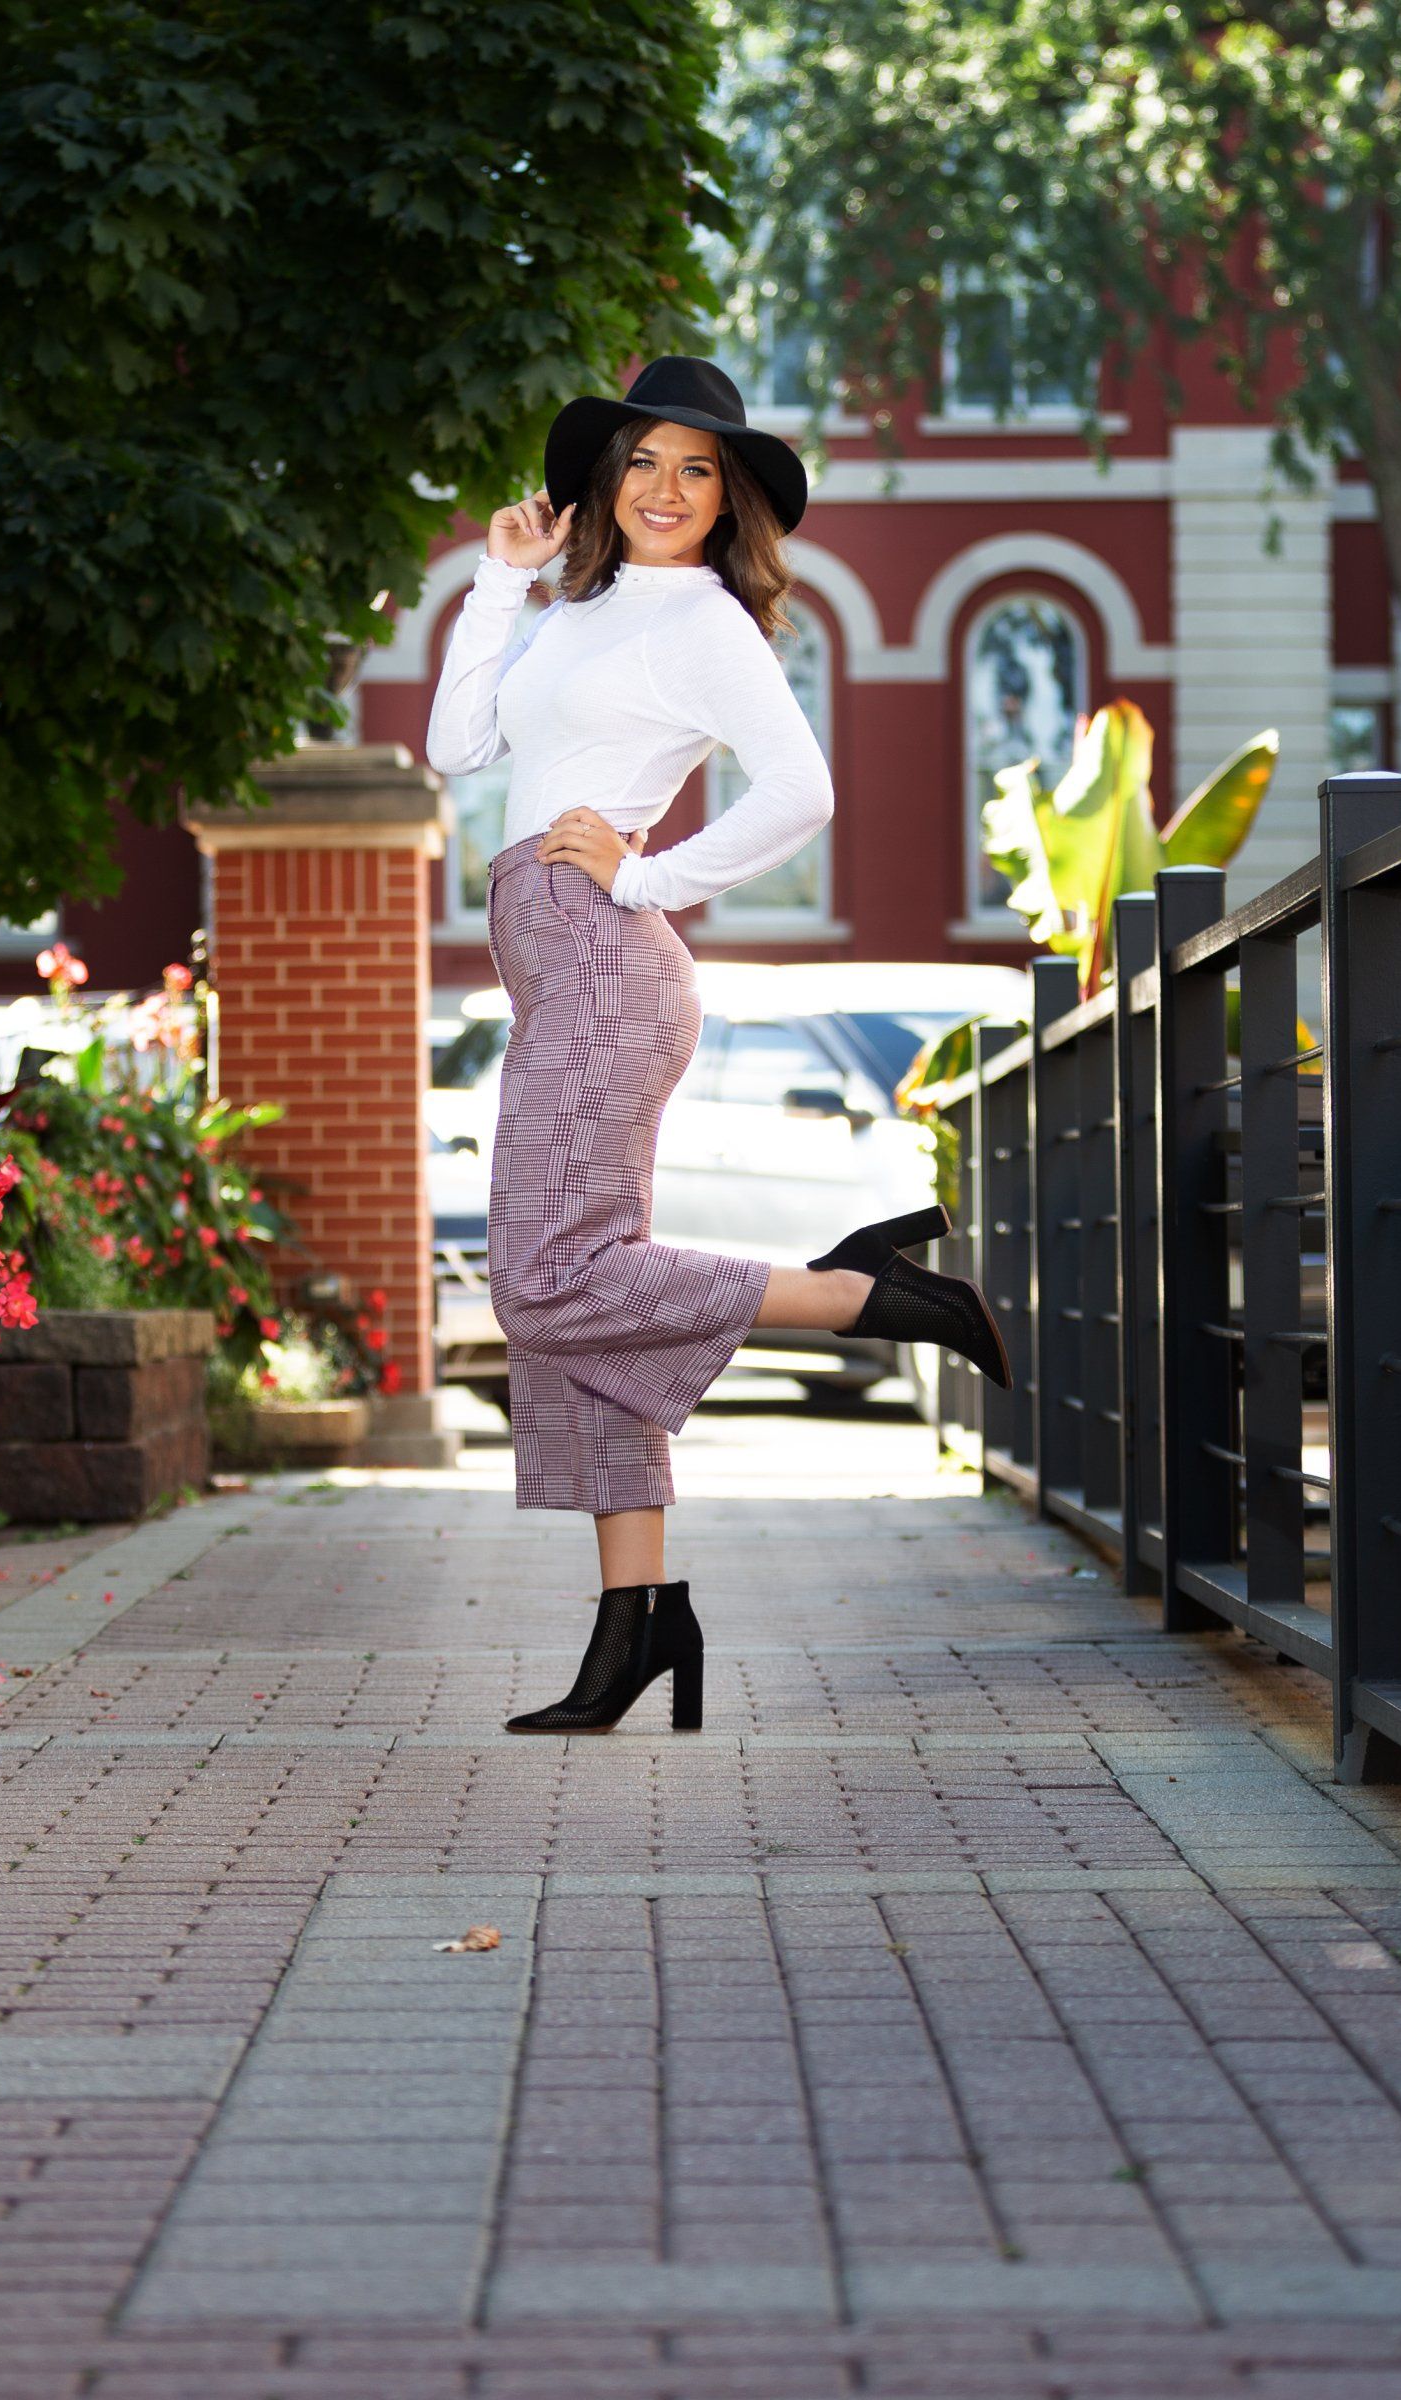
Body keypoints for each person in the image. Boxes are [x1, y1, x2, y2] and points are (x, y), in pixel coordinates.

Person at [426, 356, 1012, 1738]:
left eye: (698, 470)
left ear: (727, 497)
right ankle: (637, 1627)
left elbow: (802, 791)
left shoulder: (704, 623)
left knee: (545, 1284)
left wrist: (647, 876)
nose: (667, 489)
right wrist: (499, 579)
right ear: (603, 478)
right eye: (643, 461)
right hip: (560, 970)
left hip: (605, 964)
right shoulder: (574, 610)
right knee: (590, 1303)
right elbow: (456, 746)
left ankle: (857, 1295)